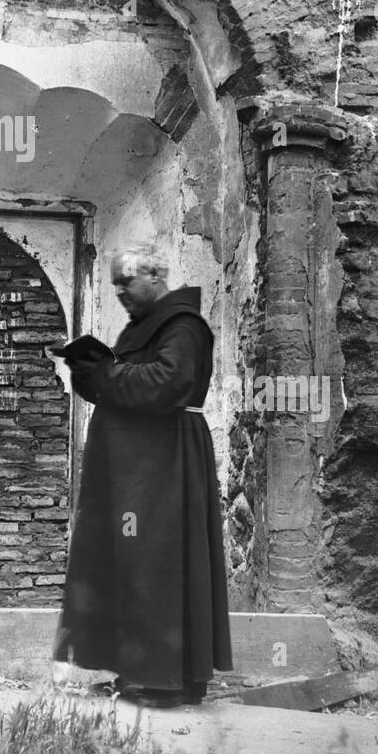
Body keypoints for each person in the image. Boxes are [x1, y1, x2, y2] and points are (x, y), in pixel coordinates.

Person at [52, 246, 233, 706]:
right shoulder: (148, 325)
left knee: (156, 565)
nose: (119, 292)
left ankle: (167, 682)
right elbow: (124, 380)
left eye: (126, 281)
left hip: (163, 461)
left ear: (155, 276)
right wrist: (89, 369)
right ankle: (139, 672)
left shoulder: (183, 327)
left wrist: (106, 371)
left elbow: (165, 384)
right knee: (130, 564)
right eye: (113, 284)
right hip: (139, 463)